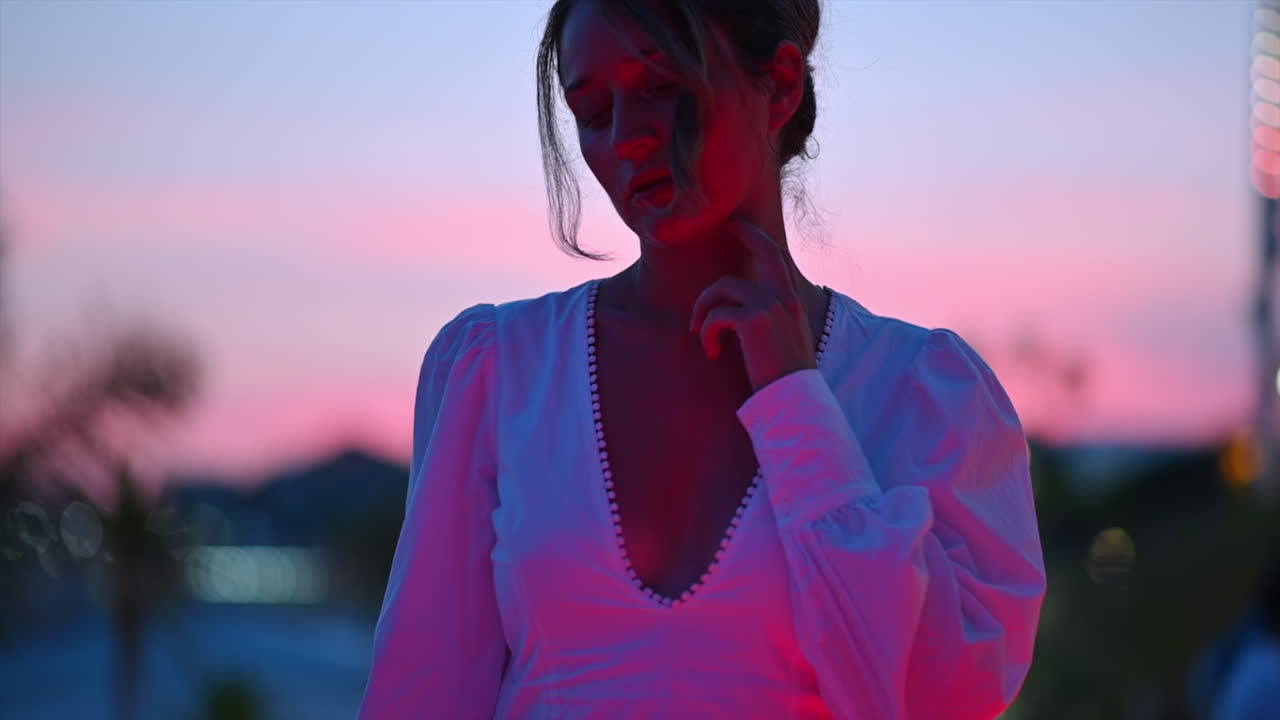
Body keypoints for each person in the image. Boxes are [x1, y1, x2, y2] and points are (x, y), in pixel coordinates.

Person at [356, 1, 1046, 718]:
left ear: (779, 86)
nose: (625, 140)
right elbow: (421, 696)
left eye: (662, 88)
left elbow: (941, 699)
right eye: (592, 112)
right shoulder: (499, 372)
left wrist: (795, 403)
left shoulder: (924, 394)